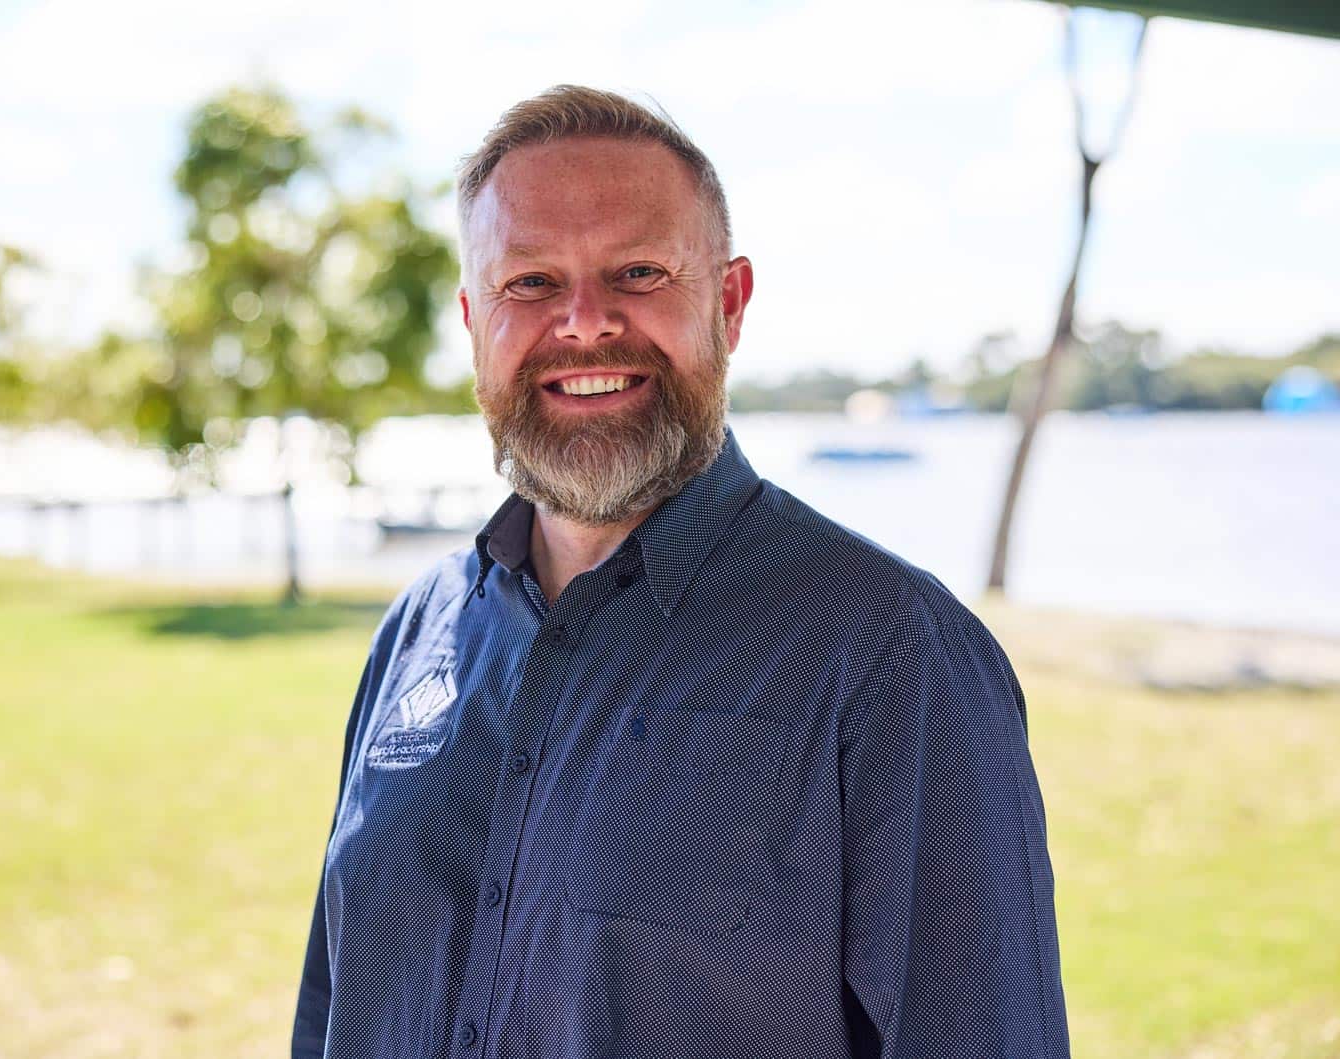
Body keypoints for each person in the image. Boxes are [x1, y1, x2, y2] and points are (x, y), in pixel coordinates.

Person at [292, 84, 1068, 1059]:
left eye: (640, 272)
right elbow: (335, 1003)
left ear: (730, 303)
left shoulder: (892, 654)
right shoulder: (421, 627)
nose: (582, 323)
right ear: (472, 319)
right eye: (529, 283)